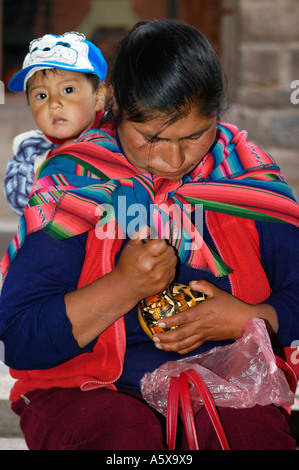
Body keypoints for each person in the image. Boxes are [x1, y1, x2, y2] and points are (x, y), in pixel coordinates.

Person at [0, 20, 299, 450]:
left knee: (251, 439)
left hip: (228, 385)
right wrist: (123, 287)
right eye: (151, 138)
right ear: (116, 107)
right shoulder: (77, 182)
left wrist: (246, 318)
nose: (174, 158)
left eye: (196, 135)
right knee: (126, 439)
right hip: (84, 391)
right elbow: (21, 337)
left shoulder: (247, 179)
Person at [4, 31, 107, 215]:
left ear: (98, 96)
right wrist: (51, 162)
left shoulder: (116, 137)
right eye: (41, 96)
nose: (53, 104)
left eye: (67, 90)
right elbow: (18, 200)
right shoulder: (31, 148)